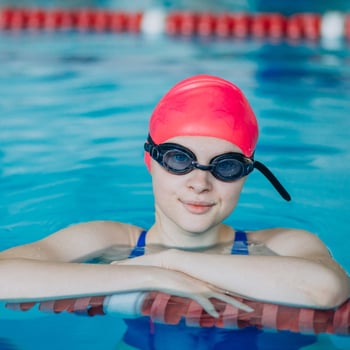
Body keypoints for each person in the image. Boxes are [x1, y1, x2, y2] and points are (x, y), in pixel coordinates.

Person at [0, 75, 348, 348]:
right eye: (179, 159)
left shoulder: (282, 244)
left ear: (245, 176)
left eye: (225, 167)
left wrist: (170, 261)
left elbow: (328, 288)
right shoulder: (107, 239)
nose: (200, 183)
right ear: (150, 161)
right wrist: (148, 275)